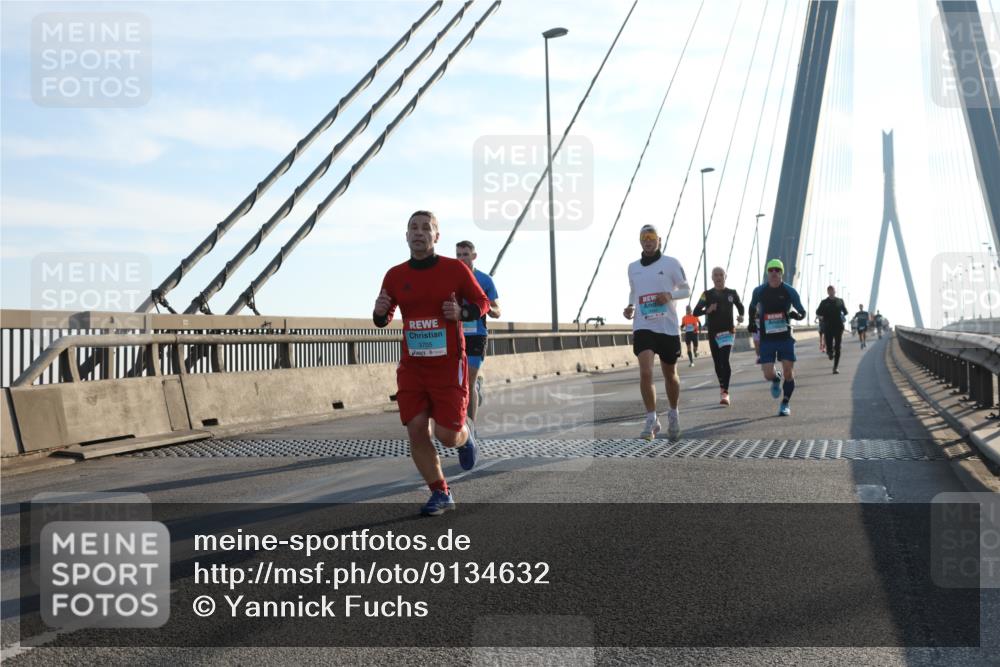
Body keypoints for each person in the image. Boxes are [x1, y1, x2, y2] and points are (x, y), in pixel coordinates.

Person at [373, 210, 490, 516]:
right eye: (413, 227)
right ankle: (441, 492)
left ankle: (467, 435)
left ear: (436, 237)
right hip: (413, 367)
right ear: (406, 235)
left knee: (446, 436)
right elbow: (383, 316)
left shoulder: (454, 270)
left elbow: (482, 303)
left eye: (426, 228)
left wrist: (462, 314)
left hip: (449, 365)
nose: (419, 232)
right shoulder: (395, 275)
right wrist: (379, 311)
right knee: (416, 429)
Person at [624, 224, 690, 439]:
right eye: (644, 237)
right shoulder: (633, 267)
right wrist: (631, 306)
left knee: (670, 375)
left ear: (659, 240)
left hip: (667, 327)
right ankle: (651, 419)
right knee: (645, 371)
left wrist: (670, 295)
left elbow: (686, 290)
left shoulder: (671, 263)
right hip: (644, 325)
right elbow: (634, 291)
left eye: (652, 237)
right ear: (640, 241)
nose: (648, 241)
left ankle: (673, 413)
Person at [747, 259, 806, 416]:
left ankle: (785, 403)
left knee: (788, 371)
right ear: (767, 273)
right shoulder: (759, 291)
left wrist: (797, 316)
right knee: (768, 374)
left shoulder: (789, 291)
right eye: (771, 270)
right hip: (767, 338)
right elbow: (752, 307)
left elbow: (802, 311)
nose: (774, 273)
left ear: (782, 273)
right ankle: (775, 378)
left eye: (777, 270)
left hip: (785, 337)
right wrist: (751, 323)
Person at [455, 241, 501, 421]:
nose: (461, 258)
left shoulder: (485, 280)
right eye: (458, 255)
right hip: (456, 335)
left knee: (469, 381)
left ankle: (472, 429)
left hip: (477, 335)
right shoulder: (451, 278)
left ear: (473, 256)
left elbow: (498, 311)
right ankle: (460, 422)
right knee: (458, 383)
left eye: (465, 254)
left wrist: (486, 307)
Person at [692, 267, 745, 405]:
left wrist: (741, 316)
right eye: (716, 275)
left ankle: (725, 392)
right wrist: (707, 310)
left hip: (727, 332)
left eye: (721, 274)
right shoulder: (706, 295)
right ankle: (722, 386)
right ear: (712, 277)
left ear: (725, 276)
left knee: (724, 359)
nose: (718, 277)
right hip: (713, 333)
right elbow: (696, 312)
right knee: (717, 363)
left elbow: (740, 306)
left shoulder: (732, 293)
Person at [815, 285, 848, 374]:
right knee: (829, 347)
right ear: (827, 292)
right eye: (829, 290)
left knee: (838, 347)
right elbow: (818, 312)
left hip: (838, 327)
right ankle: (829, 352)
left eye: (832, 290)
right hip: (828, 327)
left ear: (835, 291)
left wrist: (842, 314)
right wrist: (821, 316)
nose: (831, 292)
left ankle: (835, 368)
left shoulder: (840, 301)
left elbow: (845, 312)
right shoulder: (824, 302)